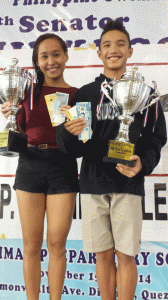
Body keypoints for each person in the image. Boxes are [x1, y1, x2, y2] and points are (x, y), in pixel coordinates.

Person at [56, 20, 167, 300]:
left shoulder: (146, 94)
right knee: (103, 255)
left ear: (130, 52)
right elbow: (76, 147)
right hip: (93, 184)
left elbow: (156, 137)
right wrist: (68, 133)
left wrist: (143, 161)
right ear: (99, 53)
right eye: (107, 45)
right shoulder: (85, 94)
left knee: (126, 255)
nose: (113, 50)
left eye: (120, 44)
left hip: (127, 183)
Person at [1, 33, 79, 300]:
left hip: (63, 167)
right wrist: (10, 113)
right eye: (44, 56)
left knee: (57, 245)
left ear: (66, 56)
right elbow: (18, 130)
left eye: (56, 54)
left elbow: (82, 143)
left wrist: (78, 131)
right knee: (31, 245)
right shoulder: (25, 92)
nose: (51, 61)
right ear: (37, 61)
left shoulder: (76, 95)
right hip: (30, 165)